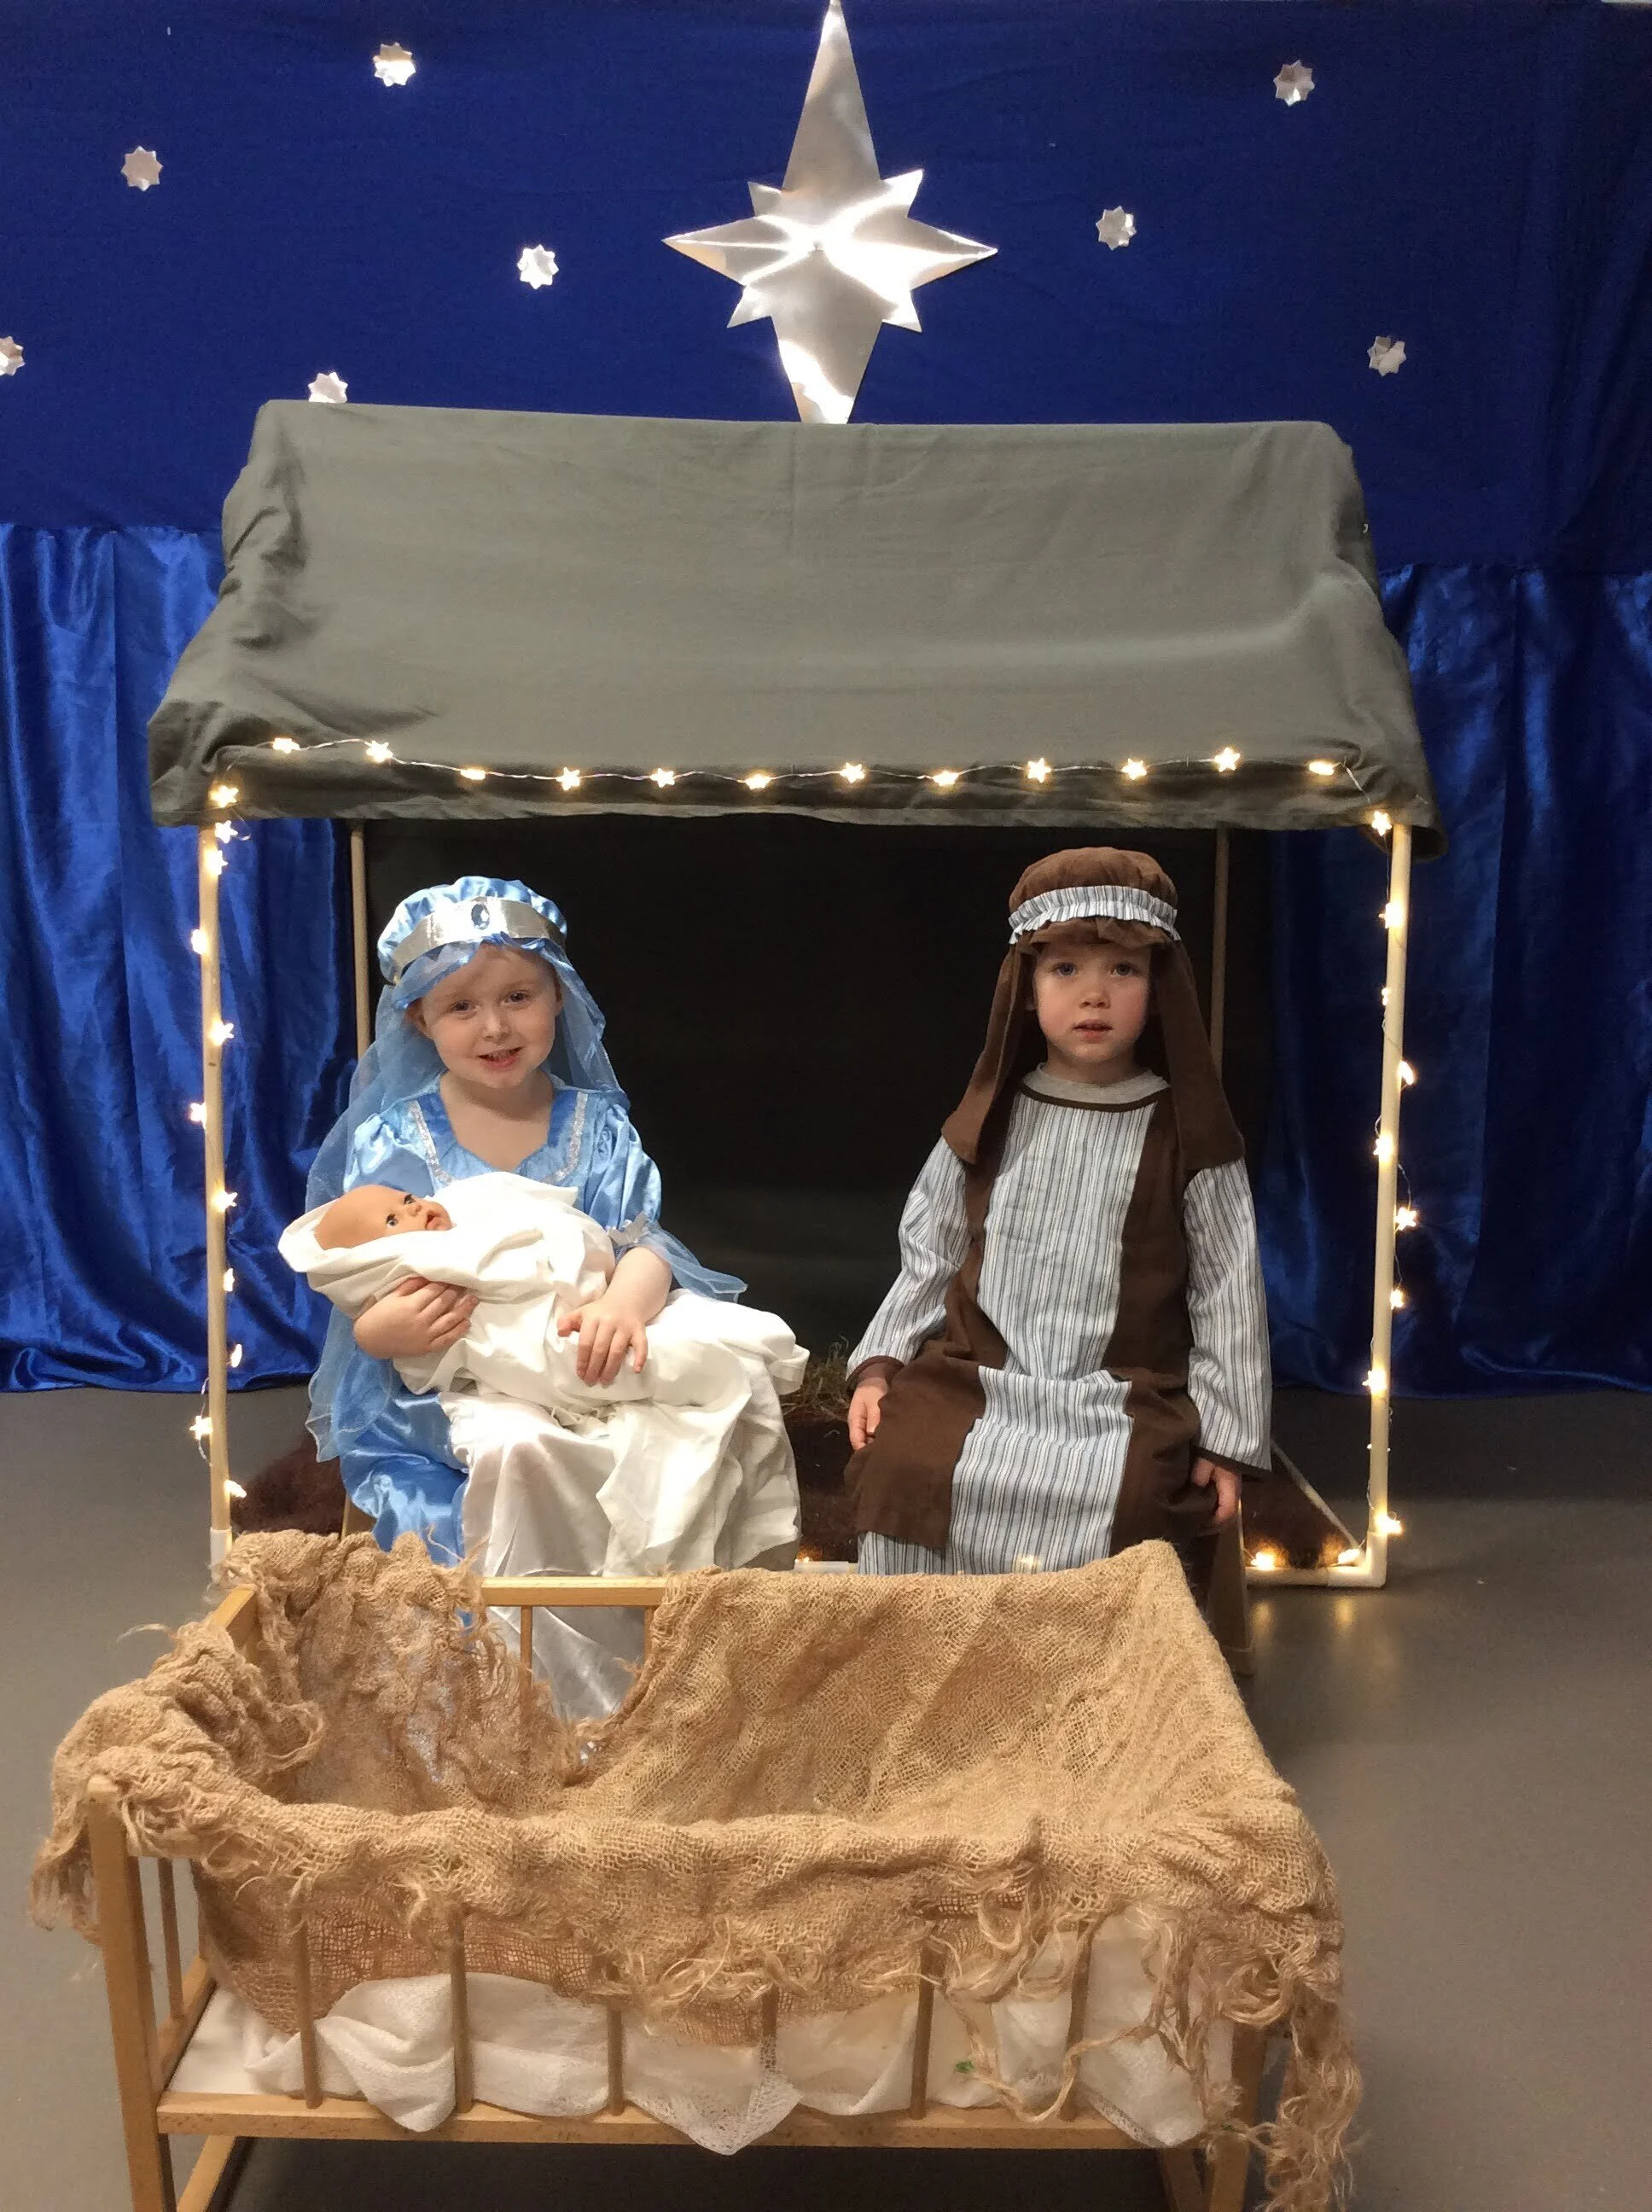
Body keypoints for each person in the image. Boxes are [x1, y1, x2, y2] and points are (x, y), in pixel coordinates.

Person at [304, 877, 800, 1709]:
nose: (495, 1027)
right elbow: (360, 1280)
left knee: (715, 1395)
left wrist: (621, 1305)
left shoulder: (595, 1127)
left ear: (558, 998)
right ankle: (531, 1680)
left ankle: (659, 1648)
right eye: (461, 1007)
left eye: (518, 997)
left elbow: (643, 1244)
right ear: (419, 1019)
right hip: (460, 1374)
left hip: (581, 1338)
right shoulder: (395, 1138)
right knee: (518, 1448)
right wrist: (383, 1329)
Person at [846, 847, 1270, 1597]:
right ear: (1027, 988)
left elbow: (1226, 1290)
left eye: (1124, 970)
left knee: (1136, 1499)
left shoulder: (1189, 1137)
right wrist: (881, 1365)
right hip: (978, 1383)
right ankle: (925, 1644)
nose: (1094, 995)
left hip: (1122, 1399)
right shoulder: (987, 1125)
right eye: (1066, 969)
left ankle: (1093, 1658)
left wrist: (1227, 1438)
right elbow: (929, 1255)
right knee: (902, 1468)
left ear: (1158, 988)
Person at [282, 1172, 806, 1578]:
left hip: (607, 1300)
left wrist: (613, 1294)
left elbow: (630, 1244)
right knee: (533, 1438)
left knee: (704, 1355)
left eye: (408, 1198)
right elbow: (400, 1317)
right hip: (514, 1365)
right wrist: (374, 1331)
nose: (414, 1209)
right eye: (394, 1222)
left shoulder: (510, 1185)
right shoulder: (412, 1256)